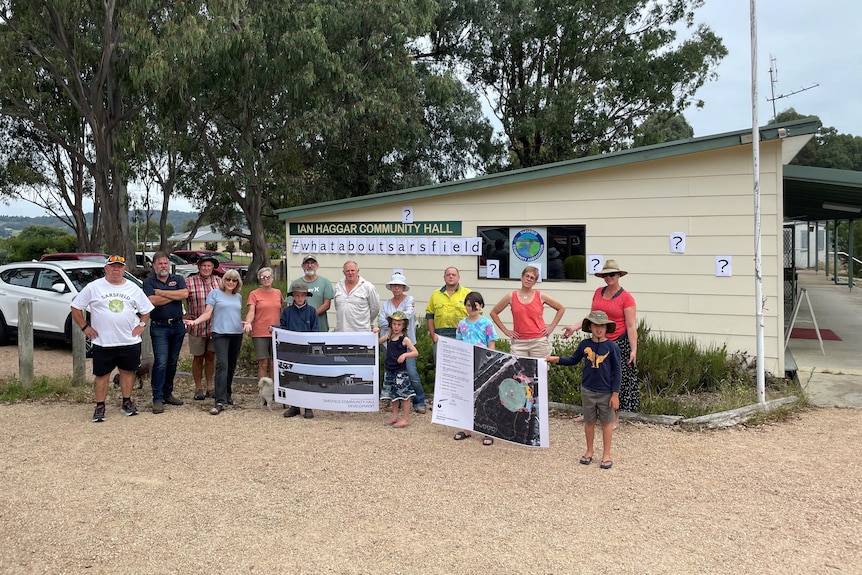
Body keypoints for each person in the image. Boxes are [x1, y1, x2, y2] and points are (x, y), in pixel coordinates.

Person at [70, 255, 154, 423]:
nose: (116, 269)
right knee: (102, 375)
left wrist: (142, 325)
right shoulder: (93, 287)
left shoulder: (133, 288)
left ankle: (126, 402)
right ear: (106, 269)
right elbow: (76, 307)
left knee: (128, 372)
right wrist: (85, 327)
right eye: (112, 266)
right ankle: (100, 405)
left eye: (120, 267)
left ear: (124, 270)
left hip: (129, 340)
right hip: (103, 341)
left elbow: (146, 309)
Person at [563, 259, 638, 428]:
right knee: (594, 375)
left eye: (612, 274)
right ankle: (590, 413)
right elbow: (592, 317)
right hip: (597, 341)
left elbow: (631, 325)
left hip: (617, 342)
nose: (609, 277)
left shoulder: (627, 298)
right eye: (606, 275)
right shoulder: (598, 292)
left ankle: (615, 417)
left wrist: (634, 349)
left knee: (618, 378)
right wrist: (575, 327)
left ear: (619, 275)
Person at [548, 310, 621, 469]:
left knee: (606, 424)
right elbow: (573, 360)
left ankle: (606, 454)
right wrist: (556, 359)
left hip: (606, 391)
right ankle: (589, 451)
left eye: (602, 326)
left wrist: (615, 394)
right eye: (596, 325)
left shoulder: (613, 347)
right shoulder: (584, 345)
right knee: (589, 422)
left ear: (606, 327)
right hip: (588, 390)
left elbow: (618, 372)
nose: (599, 329)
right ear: (590, 326)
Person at [184, 269, 250, 415]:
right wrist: (195, 322)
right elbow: (208, 313)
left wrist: (243, 322)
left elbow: (233, 314)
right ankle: (219, 400)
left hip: (236, 333)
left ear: (238, 282)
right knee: (222, 365)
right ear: (223, 281)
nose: (231, 282)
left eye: (234, 280)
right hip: (220, 333)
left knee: (231, 366)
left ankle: (227, 394)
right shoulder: (215, 293)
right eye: (228, 279)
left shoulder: (238, 296)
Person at [143, 251, 189, 414]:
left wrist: (161, 293)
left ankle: (168, 393)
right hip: (159, 327)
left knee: (172, 362)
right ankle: (157, 398)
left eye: (166, 263)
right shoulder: (148, 282)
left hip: (177, 326)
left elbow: (184, 294)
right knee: (161, 362)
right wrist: (174, 295)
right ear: (154, 265)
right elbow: (151, 301)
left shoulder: (178, 279)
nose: (163, 266)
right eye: (160, 263)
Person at [489, 265, 565, 359]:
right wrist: (506, 331)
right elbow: (493, 312)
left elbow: (561, 308)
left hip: (538, 341)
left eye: (532, 278)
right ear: (522, 277)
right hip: (519, 342)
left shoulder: (540, 296)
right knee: (519, 372)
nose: (528, 279)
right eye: (527, 276)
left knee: (540, 371)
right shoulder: (511, 296)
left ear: (535, 282)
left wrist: (551, 327)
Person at [453, 292, 499, 445]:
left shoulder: (486, 323)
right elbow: (459, 343)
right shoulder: (462, 324)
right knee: (467, 395)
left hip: (482, 362)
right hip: (466, 361)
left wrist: (491, 362)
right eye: (468, 305)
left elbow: (491, 343)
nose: (471, 308)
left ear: (481, 306)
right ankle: (467, 428)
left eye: (475, 305)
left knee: (485, 394)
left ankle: (488, 429)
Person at [378, 272, 426, 413]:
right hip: (390, 343)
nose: (396, 288)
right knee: (392, 373)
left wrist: (391, 318)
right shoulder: (387, 303)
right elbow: (381, 321)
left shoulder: (409, 300)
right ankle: (395, 401)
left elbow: (407, 316)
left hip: (405, 343)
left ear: (403, 287)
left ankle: (419, 401)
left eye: (399, 285)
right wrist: (393, 319)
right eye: (394, 285)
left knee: (411, 373)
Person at [276, 280, 318, 419]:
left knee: (307, 378)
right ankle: (294, 406)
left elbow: (315, 331)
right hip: (291, 350)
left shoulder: (312, 311)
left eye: (302, 295)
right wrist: (274, 329)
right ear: (293, 296)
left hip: (306, 352)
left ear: (306, 296)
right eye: (297, 295)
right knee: (292, 377)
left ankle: (308, 406)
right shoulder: (287, 311)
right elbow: (283, 328)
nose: (300, 298)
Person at [185, 255, 221, 400]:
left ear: (213, 268)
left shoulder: (219, 282)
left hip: (215, 325)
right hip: (197, 326)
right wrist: (183, 314)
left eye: (209, 266)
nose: (206, 268)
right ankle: (198, 387)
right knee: (198, 357)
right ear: (199, 267)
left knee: (211, 356)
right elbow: (178, 298)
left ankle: (210, 387)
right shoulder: (189, 282)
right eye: (204, 266)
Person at [378, 311, 418, 428]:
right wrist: (375, 333)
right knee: (393, 395)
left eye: (399, 324)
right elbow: (377, 341)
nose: (396, 327)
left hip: (401, 372)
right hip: (390, 370)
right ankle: (395, 417)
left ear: (404, 326)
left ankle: (405, 419)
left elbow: (415, 352)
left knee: (404, 395)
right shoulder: (389, 337)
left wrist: (405, 355)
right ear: (391, 324)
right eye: (394, 324)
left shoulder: (405, 339)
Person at [245, 266, 284, 380]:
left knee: (274, 363)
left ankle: (273, 391)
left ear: (272, 278)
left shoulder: (278, 293)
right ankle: (262, 391)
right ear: (259, 279)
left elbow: (281, 310)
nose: (266, 279)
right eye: (263, 277)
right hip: (260, 332)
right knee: (263, 363)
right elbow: (251, 311)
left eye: (268, 276)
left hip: (276, 332)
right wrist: (248, 322)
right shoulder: (254, 294)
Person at [425, 267, 471, 355]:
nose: (451, 277)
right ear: (444, 278)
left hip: (462, 336)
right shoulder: (435, 295)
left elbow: (477, 315)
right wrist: (432, 335)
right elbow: (429, 316)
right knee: (440, 367)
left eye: (453, 275)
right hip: (440, 336)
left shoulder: (468, 294)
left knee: (461, 366)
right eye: (448, 275)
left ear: (458, 277)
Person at [289, 255, 334, 332]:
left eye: (312, 263)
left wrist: (311, 315)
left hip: (320, 326)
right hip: (300, 327)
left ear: (317, 266)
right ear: (302, 266)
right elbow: (290, 304)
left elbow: (327, 304)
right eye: (307, 263)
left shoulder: (325, 282)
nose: (310, 266)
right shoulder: (295, 283)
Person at [333, 260, 380, 332]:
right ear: (343, 272)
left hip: (361, 331)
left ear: (358, 271)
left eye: (352, 270)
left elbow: (375, 308)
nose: (350, 273)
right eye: (347, 271)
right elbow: (337, 306)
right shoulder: (338, 286)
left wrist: (366, 321)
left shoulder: (368, 287)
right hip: (341, 331)